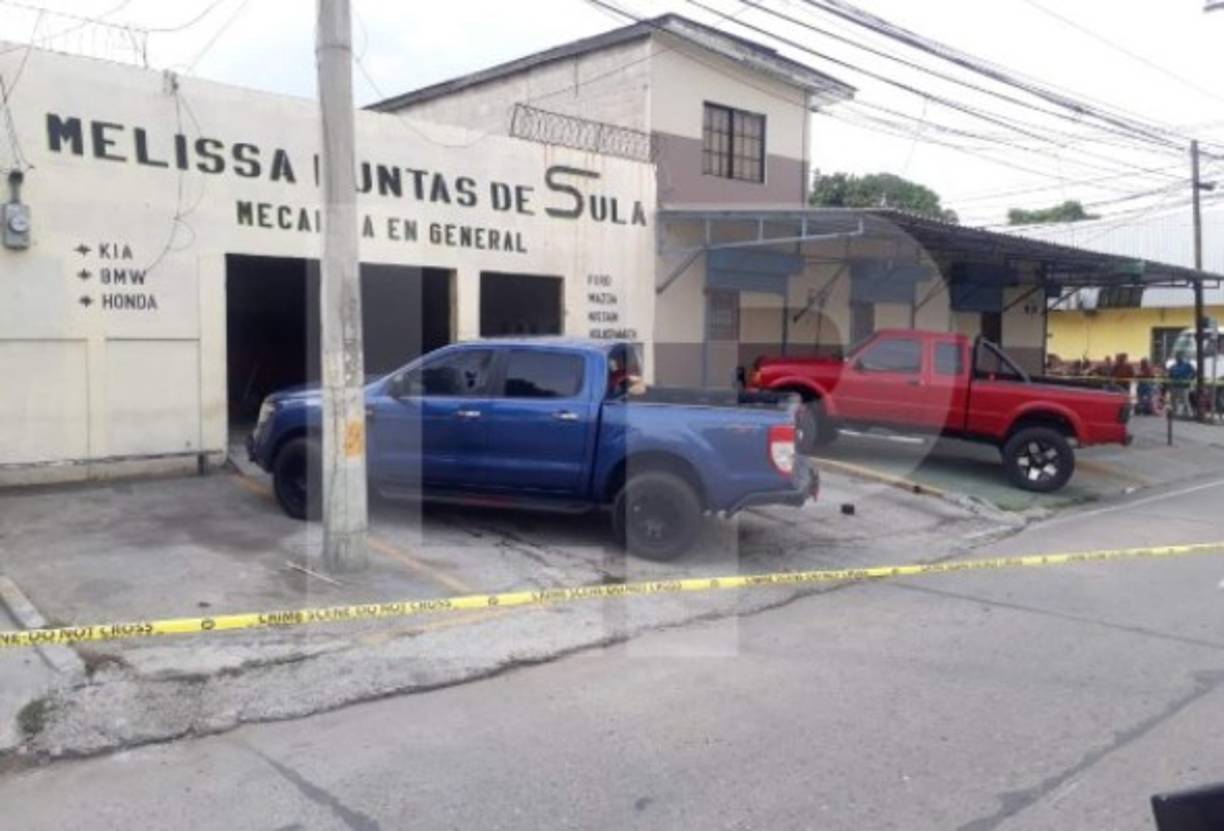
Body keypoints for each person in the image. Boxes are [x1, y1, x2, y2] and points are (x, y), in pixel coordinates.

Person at [1168, 351, 1196, 418]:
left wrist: (1189, 378)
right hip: (1175, 385)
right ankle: (1175, 413)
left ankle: (1190, 414)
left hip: (1184, 386)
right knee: (1174, 399)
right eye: (1177, 357)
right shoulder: (1173, 366)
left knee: (1185, 400)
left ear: (1183, 357)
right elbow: (1170, 375)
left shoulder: (1187, 365)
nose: (1178, 358)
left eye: (1179, 357)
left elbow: (1194, 373)